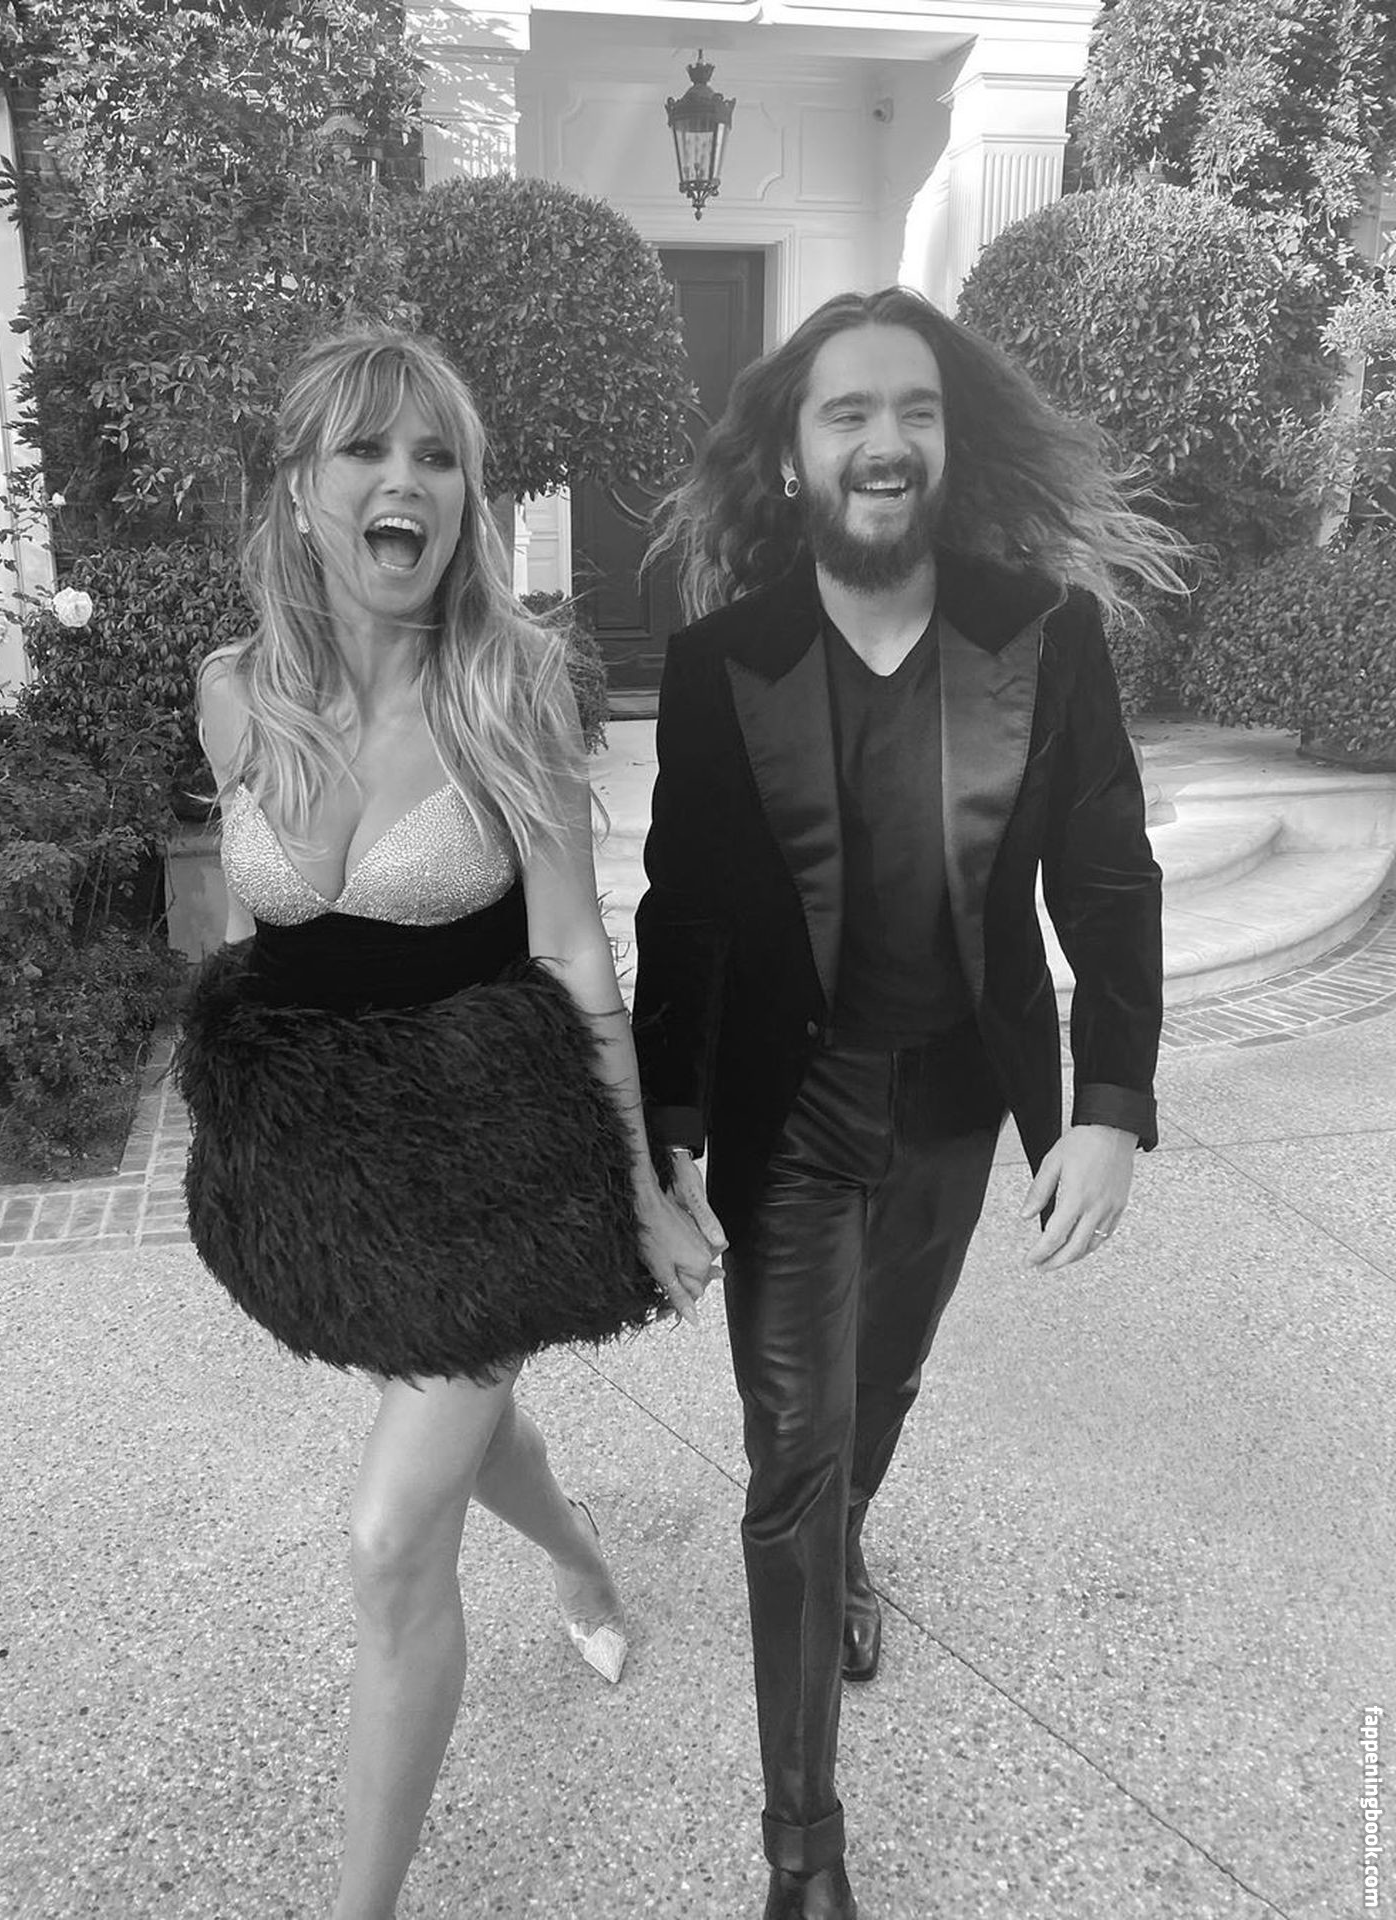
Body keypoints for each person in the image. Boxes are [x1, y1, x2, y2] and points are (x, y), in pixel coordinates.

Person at [632, 286, 1188, 1920]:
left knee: (878, 1387)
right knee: (789, 1456)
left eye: (916, 411)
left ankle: (851, 1535)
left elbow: (1107, 873)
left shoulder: (1046, 632)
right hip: (788, 1113)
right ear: (791, 458)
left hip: (954, 1100)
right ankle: (804, 1854)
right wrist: (667, 1130)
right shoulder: (722, 662)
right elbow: (686, 909)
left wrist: (1112, 1102)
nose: (886, 441)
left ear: (949, 442)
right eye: (849, 413)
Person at [172, 329, 717, 1920]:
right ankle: (583, 1556)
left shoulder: (510, 684)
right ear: (301, 492)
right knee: (471, 1428)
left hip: (491, 1168)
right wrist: (241, 1121)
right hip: (333, 1178)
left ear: (467, 498)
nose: (402, 480)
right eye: (364, 450)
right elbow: (257, 943)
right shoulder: (231, 694)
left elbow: (575, 955)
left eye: (436, 456)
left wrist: (641, 1193)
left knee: (389, 1535)